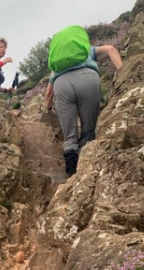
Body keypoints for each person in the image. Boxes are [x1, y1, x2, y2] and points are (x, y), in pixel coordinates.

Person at [45, 41, 122, 177]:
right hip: (89, 80)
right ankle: (86, 167)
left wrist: (49, 107)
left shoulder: (58, 63)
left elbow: (48, 93)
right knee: (88, 130)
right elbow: (110, 49)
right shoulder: (86, 51)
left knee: (70, 136)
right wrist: (122, 75)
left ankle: (72, 174)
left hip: (62, 85)